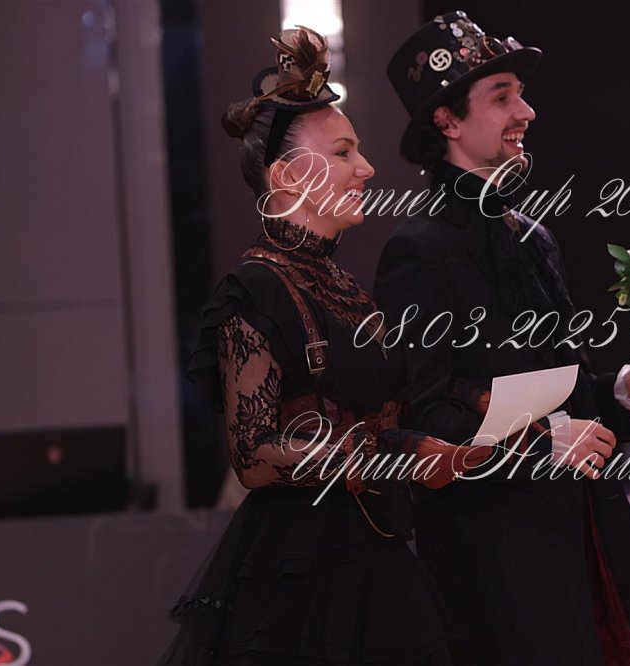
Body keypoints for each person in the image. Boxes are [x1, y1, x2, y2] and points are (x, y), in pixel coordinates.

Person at [160, 27, 486, 665]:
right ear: (286, 176)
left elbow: (378, 419)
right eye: (343, 152)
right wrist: (388, 458)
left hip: (377, 551)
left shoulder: (341, 286)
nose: (367, 169)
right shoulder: (254, 291)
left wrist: (441, 441)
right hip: (300, 571)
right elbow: (254, 456)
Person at [376, 12, 630, 665]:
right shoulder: (418, 250)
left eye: (520, 93)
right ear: (447, 120)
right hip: (493, 554)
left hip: (571, 529)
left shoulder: (531, 235)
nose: (527, 111)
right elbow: (427, 416)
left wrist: (619, 392)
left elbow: (561, 390)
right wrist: (545, 441)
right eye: (502, 96)